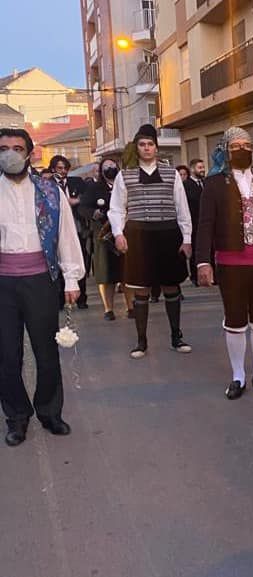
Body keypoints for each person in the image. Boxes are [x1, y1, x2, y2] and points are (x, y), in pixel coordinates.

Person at [0, 128, 85, 446]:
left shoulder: (49, 190)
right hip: (3, 283)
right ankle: (17, 416)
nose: (9, 153)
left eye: (16, 147)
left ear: (29, 152)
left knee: (46, 352)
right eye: (4, 148)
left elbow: (66, 234)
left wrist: (72, 277)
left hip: (40, 281)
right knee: (7, 356)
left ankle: (49, 412)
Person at [196, 127, 253, 399]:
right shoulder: (214, 184)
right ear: (226, 150)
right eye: (236, 146)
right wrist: (203, 261)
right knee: (236, 320)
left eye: (247, 145)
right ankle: (238, 375)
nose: (243, 150)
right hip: (231, 262)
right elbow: (205, 225)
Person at [108, 124, 193, 358]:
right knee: (141, 287)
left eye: (150, 144)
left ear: (156, 148)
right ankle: (141, 341)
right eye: (142, 145)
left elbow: (182, 209)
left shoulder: (172, 173)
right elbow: (116, 209)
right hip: (138, 235)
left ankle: (176, 336)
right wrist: (118, 234)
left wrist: (186, 239)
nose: (146, 148)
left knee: (171, 285)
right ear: (137, 148)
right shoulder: (124, 176)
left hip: (168, 233)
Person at [79, 158, 134, 320]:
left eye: (112, 166)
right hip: (103, 234)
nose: (110, 168)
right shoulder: (95, 188)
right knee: (106, 274)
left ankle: (131, 306)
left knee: (127, 271)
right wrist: (93, 213)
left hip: (124, 232)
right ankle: (108, 309)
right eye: (106, 166)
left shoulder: (125, 185)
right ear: (102, 171)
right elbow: (83, 207)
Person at [50, 154, 89, 309]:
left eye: (65, 168)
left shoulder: (76, 182)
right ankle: (60, 299)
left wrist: (77, 200)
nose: (63, 171)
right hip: (56, 228)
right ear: (53, 169)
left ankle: (82, 298)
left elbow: (89, 196)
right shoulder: (48, 185)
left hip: (77, 224)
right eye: (60, 168)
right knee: (59, 263)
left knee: (79, 258)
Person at [184, 158, 206, 285]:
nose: (202, 170)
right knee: (195, 249)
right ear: (192, 169)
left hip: (205, 223)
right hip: (193, 223)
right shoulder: (186, 185)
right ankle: (195, 276)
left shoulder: (206, 183)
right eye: (199, 168)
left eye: (203, 167)